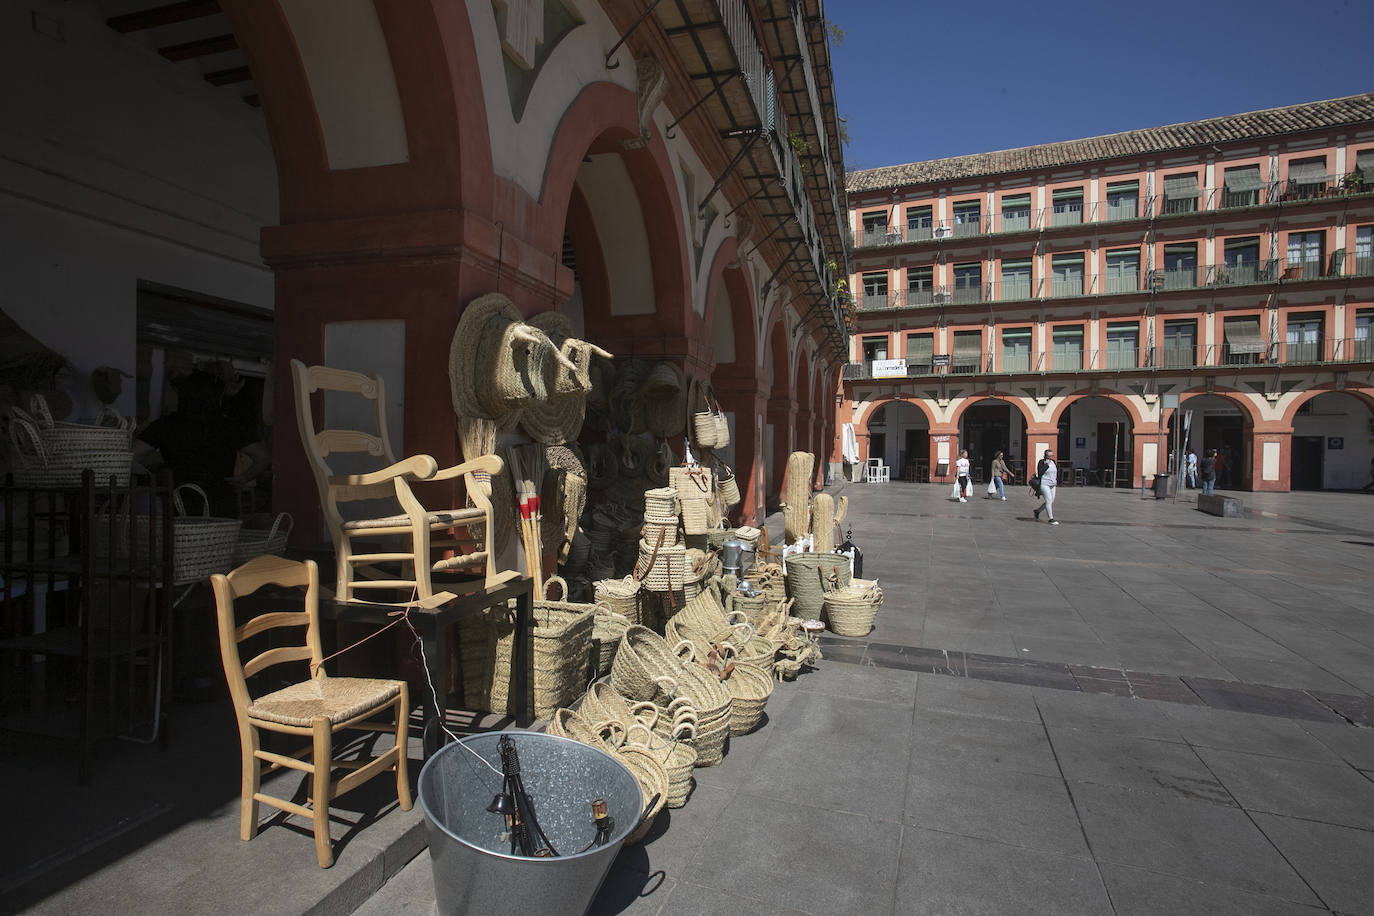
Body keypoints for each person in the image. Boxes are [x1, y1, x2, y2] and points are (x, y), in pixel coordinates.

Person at [1032, 448, 1059, 524]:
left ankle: (1037, 511)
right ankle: (1051, 519)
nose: (1050, 457)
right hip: (1044, 484)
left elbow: (1055, 472)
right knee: (1049, 500)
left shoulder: (1053, 462)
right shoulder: (1041, 462)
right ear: (1045, 456)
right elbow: (1040, 473)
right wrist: (1046, 465)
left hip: (1053, 484)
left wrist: (1056, 480)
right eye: (1049, 456)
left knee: (1051, 501)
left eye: (1051, 456)